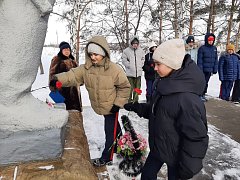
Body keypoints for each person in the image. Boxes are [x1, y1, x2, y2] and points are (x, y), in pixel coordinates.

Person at [124, 39, 209, 180]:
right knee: (147, 175)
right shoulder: (165, 84)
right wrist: (137, 107)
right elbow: (158, 111)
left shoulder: (186, 99)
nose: (155, 68)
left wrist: (188, 166)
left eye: (158, 64)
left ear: (172, 64)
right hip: (159, 147)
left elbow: (196, 136)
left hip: (177, 157)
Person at [49, 36, 131, 166]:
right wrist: (57, 78)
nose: (93, 57)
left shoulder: (114, 70)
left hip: (111, 107)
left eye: (96, 54)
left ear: (104, 53)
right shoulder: (86, 69)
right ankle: (123, 145)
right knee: (115, 128)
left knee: (110, 131)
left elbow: (125, 87)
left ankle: (107, 157)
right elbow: (72, 75)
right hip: (101, 106)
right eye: (91, 54)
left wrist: (117, 104)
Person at [49, 41, 82, 111]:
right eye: (65, 50)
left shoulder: (73, 61)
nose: (67, 51)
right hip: (62, 90)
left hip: (74, 90)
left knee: (75, 111)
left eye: (68, 49)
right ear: (61, 51)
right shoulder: (56, 60)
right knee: (65, 112)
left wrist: (81, 81)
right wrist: (54, 83)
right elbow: (52, 75)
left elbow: (78, 74)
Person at [122, 35, 145, 102]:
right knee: (130, 88)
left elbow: (143, 59)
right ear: (131, 43)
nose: (135, 45)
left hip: (138, 73)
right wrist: (129, 66)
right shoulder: (126, 51)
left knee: (137, 88)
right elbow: (124, 60)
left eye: (136, 44)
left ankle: (135, 101)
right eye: (134, 43)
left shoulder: (141, 51)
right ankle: (129, 101)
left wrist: (141, 65)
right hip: (130, 74)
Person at [197, 33, 218, 101]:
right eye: (209, 40)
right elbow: (200, 60)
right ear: (206, 40)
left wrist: (215, 69)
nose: (211, 41)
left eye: (212, 40)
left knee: (206, 83)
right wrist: (200, 69)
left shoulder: (214, 48)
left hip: (209, 69)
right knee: (202, 82)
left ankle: (203, 94)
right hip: (203, 69)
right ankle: (199, 94)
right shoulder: (202, 48)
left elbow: (216, 59)